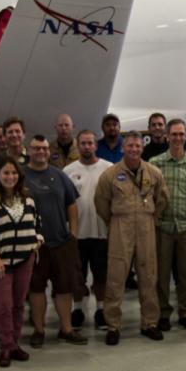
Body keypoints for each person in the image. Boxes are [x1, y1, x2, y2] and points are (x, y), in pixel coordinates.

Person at [94, 134, 169, 345]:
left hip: (146, 225)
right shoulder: (110, 175)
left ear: (142, 148)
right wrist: (114, 221)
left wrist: (152, 216)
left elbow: (162, 198)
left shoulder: (154, 173)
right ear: (123, 148)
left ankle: (150, 323)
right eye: (130, 145)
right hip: (120, 225)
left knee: (148, 274)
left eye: (137, 145)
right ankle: (113, 326)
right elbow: (101, 202)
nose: (134, 149)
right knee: (116, 277)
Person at [0, 156, 43, 368]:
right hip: (0, 261)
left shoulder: (27, 198)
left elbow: (37, 223)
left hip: (25, 258)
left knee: (18, 304)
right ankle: (5, 346)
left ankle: (15, 343)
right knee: (3, 305)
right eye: (6, 173)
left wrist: (37, 240)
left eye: (14, 173)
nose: (10, 177)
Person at [23, 135, 86, 346]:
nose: (40, 152)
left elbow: (72, 205)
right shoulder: (21, 176)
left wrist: (73, 234)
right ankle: (39, 330)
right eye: (35, 148)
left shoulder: (60, 176)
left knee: (64, 288)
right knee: (36, 288)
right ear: (28, 151)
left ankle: (66, 329)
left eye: (43, 148)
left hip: (60, 242)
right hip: (33, 245)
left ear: (49, 152)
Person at [151, 119, 186, 332]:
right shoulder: (156, 164)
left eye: (181, 134)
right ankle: (163, 313)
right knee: (161, 276)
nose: (177, 138)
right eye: (173, 134)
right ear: (167, 136)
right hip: (163, 227)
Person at [64, 130, 111, 329]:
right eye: (83, 143)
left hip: (102, 233)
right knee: (77, 276)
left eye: (90, 143)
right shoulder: (68, 171)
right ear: (77, 145)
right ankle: (78, 309)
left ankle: (101, 309)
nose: (86, 146)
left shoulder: (108, 169)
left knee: (101, 276)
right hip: (77, 234)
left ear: (95, 145)